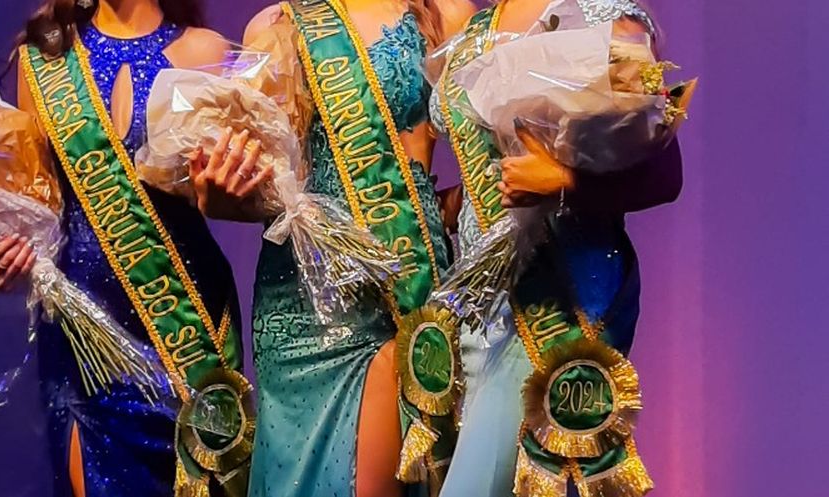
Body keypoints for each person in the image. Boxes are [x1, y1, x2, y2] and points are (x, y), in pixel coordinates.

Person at [191, 0, 476, 496]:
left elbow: (490, 160)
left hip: (399, 285)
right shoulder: (275, 25)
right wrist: (221, 198)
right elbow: (265, 188)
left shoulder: (444, 13)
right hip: (300, 303)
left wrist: (449, 206)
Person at [0, 1, 248, 495]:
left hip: (184, 327)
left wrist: (232, 190)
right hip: (85, 345)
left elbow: (239, 194)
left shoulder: (206, 52)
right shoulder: (45, 61)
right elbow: (33, 206)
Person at [433, 1, 684, 496]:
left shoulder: (605, 15)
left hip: (561, 296)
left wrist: (562, 181)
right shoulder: (475, 28)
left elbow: (665, 174)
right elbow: (497, 169)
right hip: (483, 310)